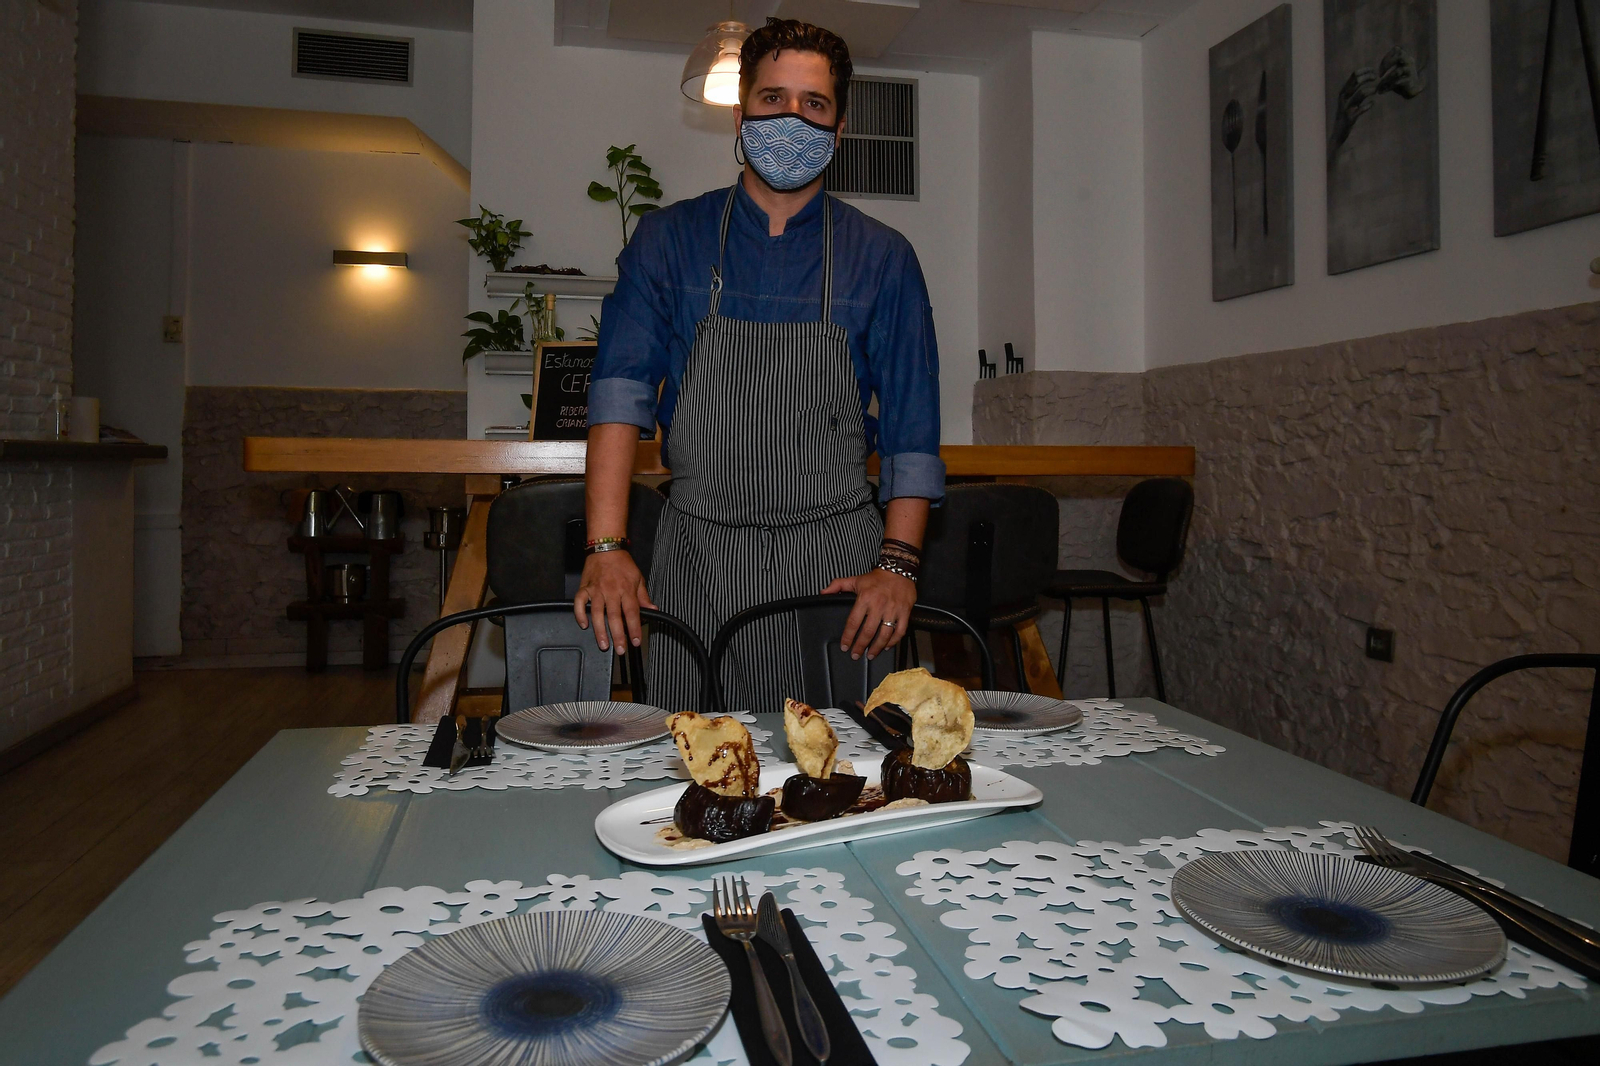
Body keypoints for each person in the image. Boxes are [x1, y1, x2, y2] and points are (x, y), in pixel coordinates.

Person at [574, 18, 943, 714]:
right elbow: (617, 395)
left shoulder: (884, 257)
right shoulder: (666, 241)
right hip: (696, 561)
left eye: (814, 104)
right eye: (773, 99)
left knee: (841, 776)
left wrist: (897, 567)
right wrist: (607, 544)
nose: (792, 118)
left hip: (837, 569)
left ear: (839, 130)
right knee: (697, 772)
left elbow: (912, 429)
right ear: (739, 117)